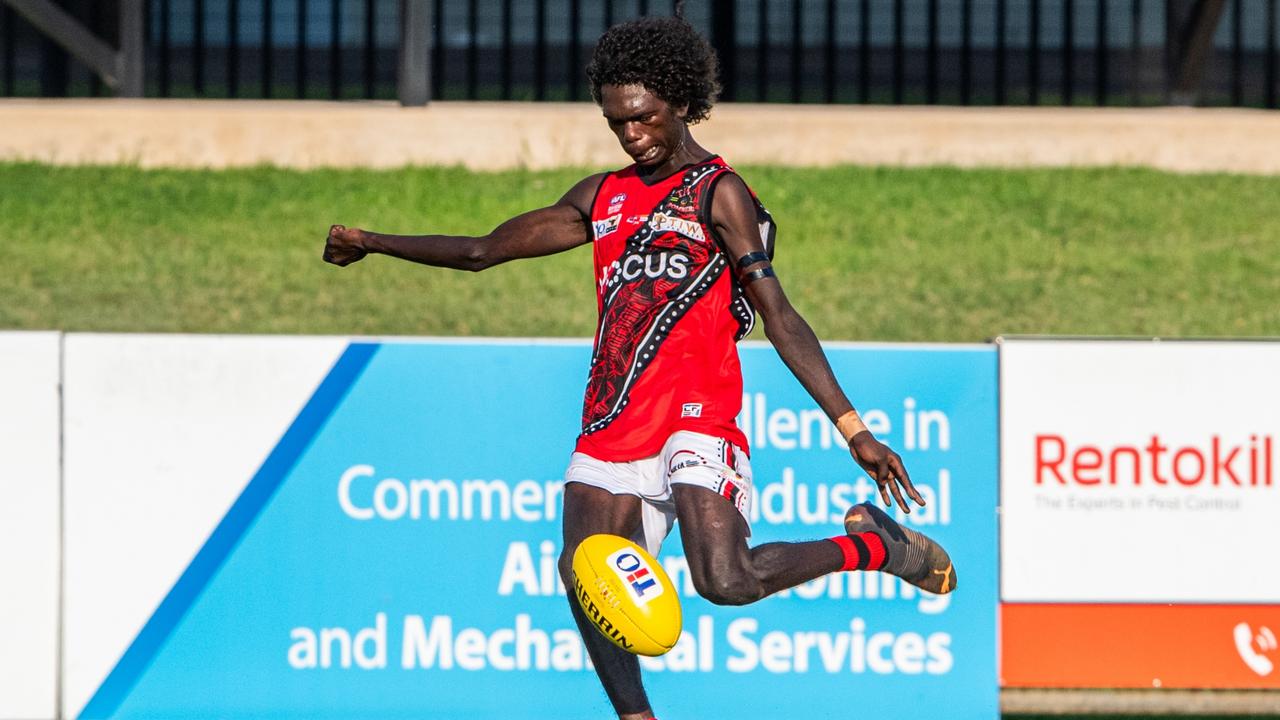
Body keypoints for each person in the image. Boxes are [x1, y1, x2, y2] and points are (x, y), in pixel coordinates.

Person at [324, 9, 954, 719]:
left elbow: (779, 315)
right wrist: (371, 240)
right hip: (613, 419)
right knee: (582, 573)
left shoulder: (720, 193)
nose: (633, 134)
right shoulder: (602, 196)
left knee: (726, 581)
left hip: (696, 414)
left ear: (681, 103)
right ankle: (636, 714)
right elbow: (481, 251)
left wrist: (853, 428)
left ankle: (875, 547)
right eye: (618, 122)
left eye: (645, 118)